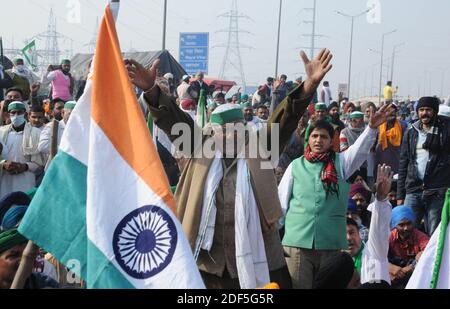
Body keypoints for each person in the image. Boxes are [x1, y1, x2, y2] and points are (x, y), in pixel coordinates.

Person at [127, 48, 334, 289]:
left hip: (260, 259)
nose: (228, 134)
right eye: (222, 129)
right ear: (212, 131)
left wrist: (308, 86)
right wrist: (151, 91)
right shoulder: (198, 145)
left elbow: (284, 119)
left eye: (235, 127)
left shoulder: (260, 148)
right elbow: (172, 119)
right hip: (205, 265)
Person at [278, 102, 393, 289]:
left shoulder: (342, 163)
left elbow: (360, 151)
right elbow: (281, 204)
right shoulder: (295, 166)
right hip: (297, 244)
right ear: (308, 139)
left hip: (331, 245)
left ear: (331, 140)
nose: (318, 140)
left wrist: (371, 128)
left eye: (324, 137)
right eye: (314, 136)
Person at [397, 97, 450, 236]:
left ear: (435, 111)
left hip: (437, 190)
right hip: (413, 189)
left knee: (435, 234)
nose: (424, 113)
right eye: (421, 110)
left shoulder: (445, 130)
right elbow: (404, 163)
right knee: (406, 230)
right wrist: (400, 194)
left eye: (428, 110)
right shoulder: (411, 131)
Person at [345, 165, 394, 286]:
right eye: (343, 234)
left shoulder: (373, 251)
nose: (348, 238)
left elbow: (380, 229)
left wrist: (381, 199)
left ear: (360, 234)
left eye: (351, 232)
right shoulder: (336, 262)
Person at [0, 102, 44, 198]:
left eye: (19, 112)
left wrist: (24, 166)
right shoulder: (1, 132)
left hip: (26, 181)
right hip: (4, 180)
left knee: (23, 207)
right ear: (8, 114)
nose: (16, 115)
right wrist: (4, 164)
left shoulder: (37, 133)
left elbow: (40, 163)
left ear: (25, 113)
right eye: (13, 112)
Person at [388, 205, 429, 289]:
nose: (406, 228)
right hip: (393, 275)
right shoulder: (388, 237)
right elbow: (376, 257)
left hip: (415, 274)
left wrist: (412, 267)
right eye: (401, 225)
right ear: (395, 225)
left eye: (408, 224)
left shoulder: (420, 237)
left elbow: (429, 252)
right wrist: (389, 267)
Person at [374, 103, 407, 177]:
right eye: (389, 110)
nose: (392, 112)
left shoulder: (403, 126)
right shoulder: (378, 126)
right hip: (381, 162)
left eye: (394, 111)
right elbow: (372, 145)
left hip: (397, 163)